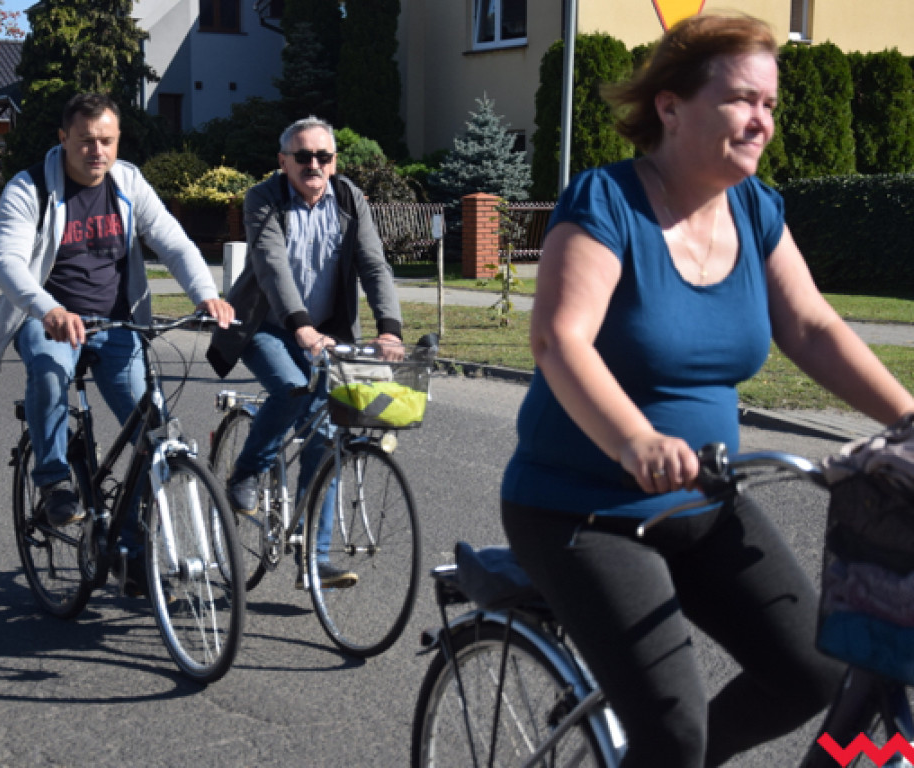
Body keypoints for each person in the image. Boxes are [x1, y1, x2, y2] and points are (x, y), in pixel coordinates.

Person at [500, 14, 914, 768]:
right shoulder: (607, 202)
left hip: (704, 497)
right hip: (582, 505)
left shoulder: (756, 210)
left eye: (770, 105)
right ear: (670, 105)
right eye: (741, 100)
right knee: (673, 727)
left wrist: (910, 418)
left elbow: (813, 327)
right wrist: (637, 440)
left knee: (811, 668)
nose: (762, 121)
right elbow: (559, 339)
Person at [0, 93, 234, 592]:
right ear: (64, 139)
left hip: (117, 322)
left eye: (107, 141)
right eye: (85, 141)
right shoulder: (29, 187)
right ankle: (55, 479)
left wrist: (207, 294)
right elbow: (7, 262)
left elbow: (173, 240)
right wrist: (48, 309)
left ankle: (129, 549)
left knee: (154, 434)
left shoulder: (128, 182)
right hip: (50, 316)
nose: (96, 151)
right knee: (50, 369)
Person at [207, 115, 403, 589]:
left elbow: (374, 264)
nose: (313, 164)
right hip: (263, 326)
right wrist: (302, 328)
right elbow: (271, 265)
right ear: (283, 161)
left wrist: (390, 330)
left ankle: (312, 560)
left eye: (323, 156)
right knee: (293, 388)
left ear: (334, 162)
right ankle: (245, 474)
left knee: (332, 435)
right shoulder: (264, 198)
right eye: (302, 156)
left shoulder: (349, 199)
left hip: (328, 334)